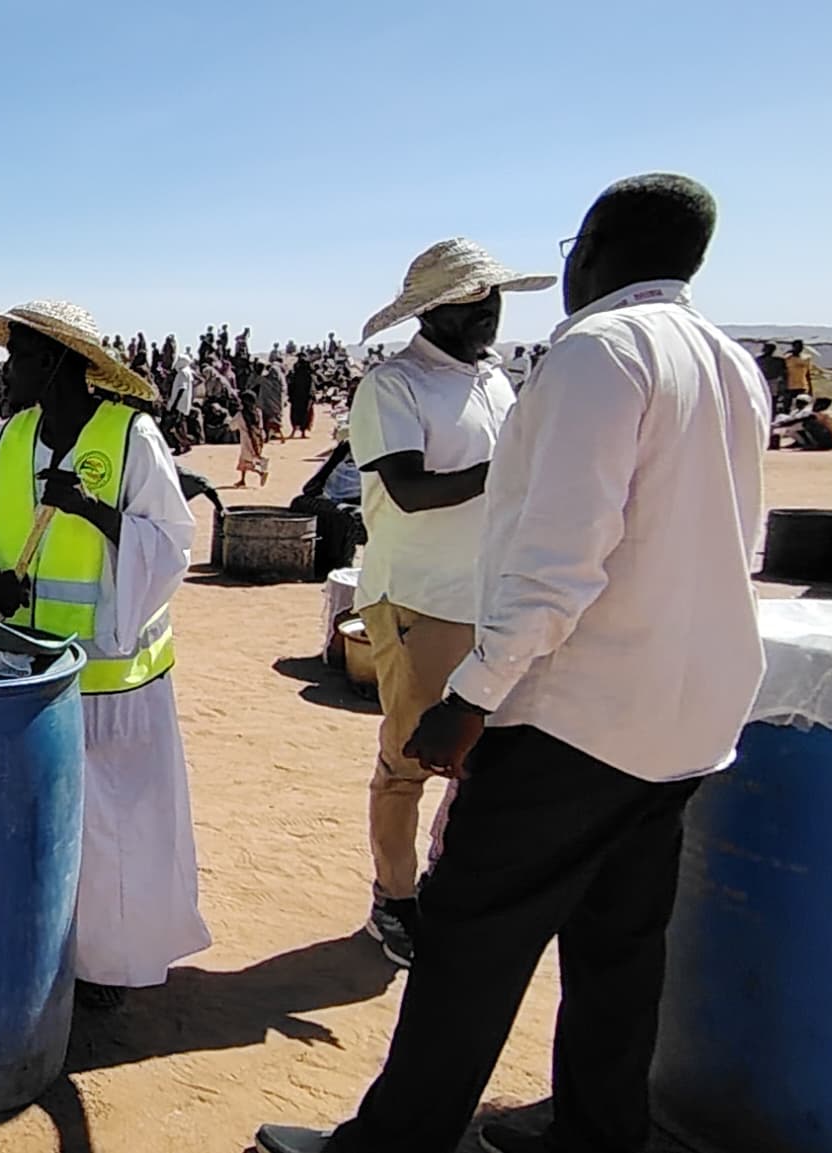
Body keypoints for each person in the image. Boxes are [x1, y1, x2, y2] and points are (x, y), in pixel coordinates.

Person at [260, 173, 770, 1153]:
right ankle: (596, 1132)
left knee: (469, 935)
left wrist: (473, 695)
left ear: (595, 245)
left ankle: (393, 1143)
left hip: (575, 715)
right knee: (619, 943)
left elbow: (558, 563)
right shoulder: (726, 360)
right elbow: (735, 542)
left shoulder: (598, 353)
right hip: (682, 720)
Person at [0, 299, 207, 1008]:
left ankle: (108, 966)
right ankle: (40, 957)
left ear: (58, 362)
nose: (7, 371)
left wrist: (92, 509)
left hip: (116, 688)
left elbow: (170, 545)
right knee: (36, 827)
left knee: (114, 834)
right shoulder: (3, 444)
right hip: (27, 682)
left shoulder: (131, 438)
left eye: (20, 356)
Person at [344, 237, 554, 968]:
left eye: (492, 298)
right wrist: (511, 469)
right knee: (409, 758)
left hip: (490, 597)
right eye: (470, 302)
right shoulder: (394, 385)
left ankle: (446, 882)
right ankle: (393, 898)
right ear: (431, 312)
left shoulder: (495, 381)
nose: (488, 312)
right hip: (419, 597)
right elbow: (407, 489)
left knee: (483, 757)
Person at [756, 340, 789, 415]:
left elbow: (784, 373)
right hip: (761, 381)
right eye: (767, 348)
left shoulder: (779, 361)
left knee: (773, 400)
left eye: (770, 348)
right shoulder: (759, 360)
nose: (768, 350)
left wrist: (783, 385)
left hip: (773, 382)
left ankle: (772, 415)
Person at [289, 352, 317, 437]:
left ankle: (300, 431)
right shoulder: (298, 371)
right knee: (300, 413)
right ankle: (299, 431)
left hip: (303, 395)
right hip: (300, 395)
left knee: (302, 413)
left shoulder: (305, 371)